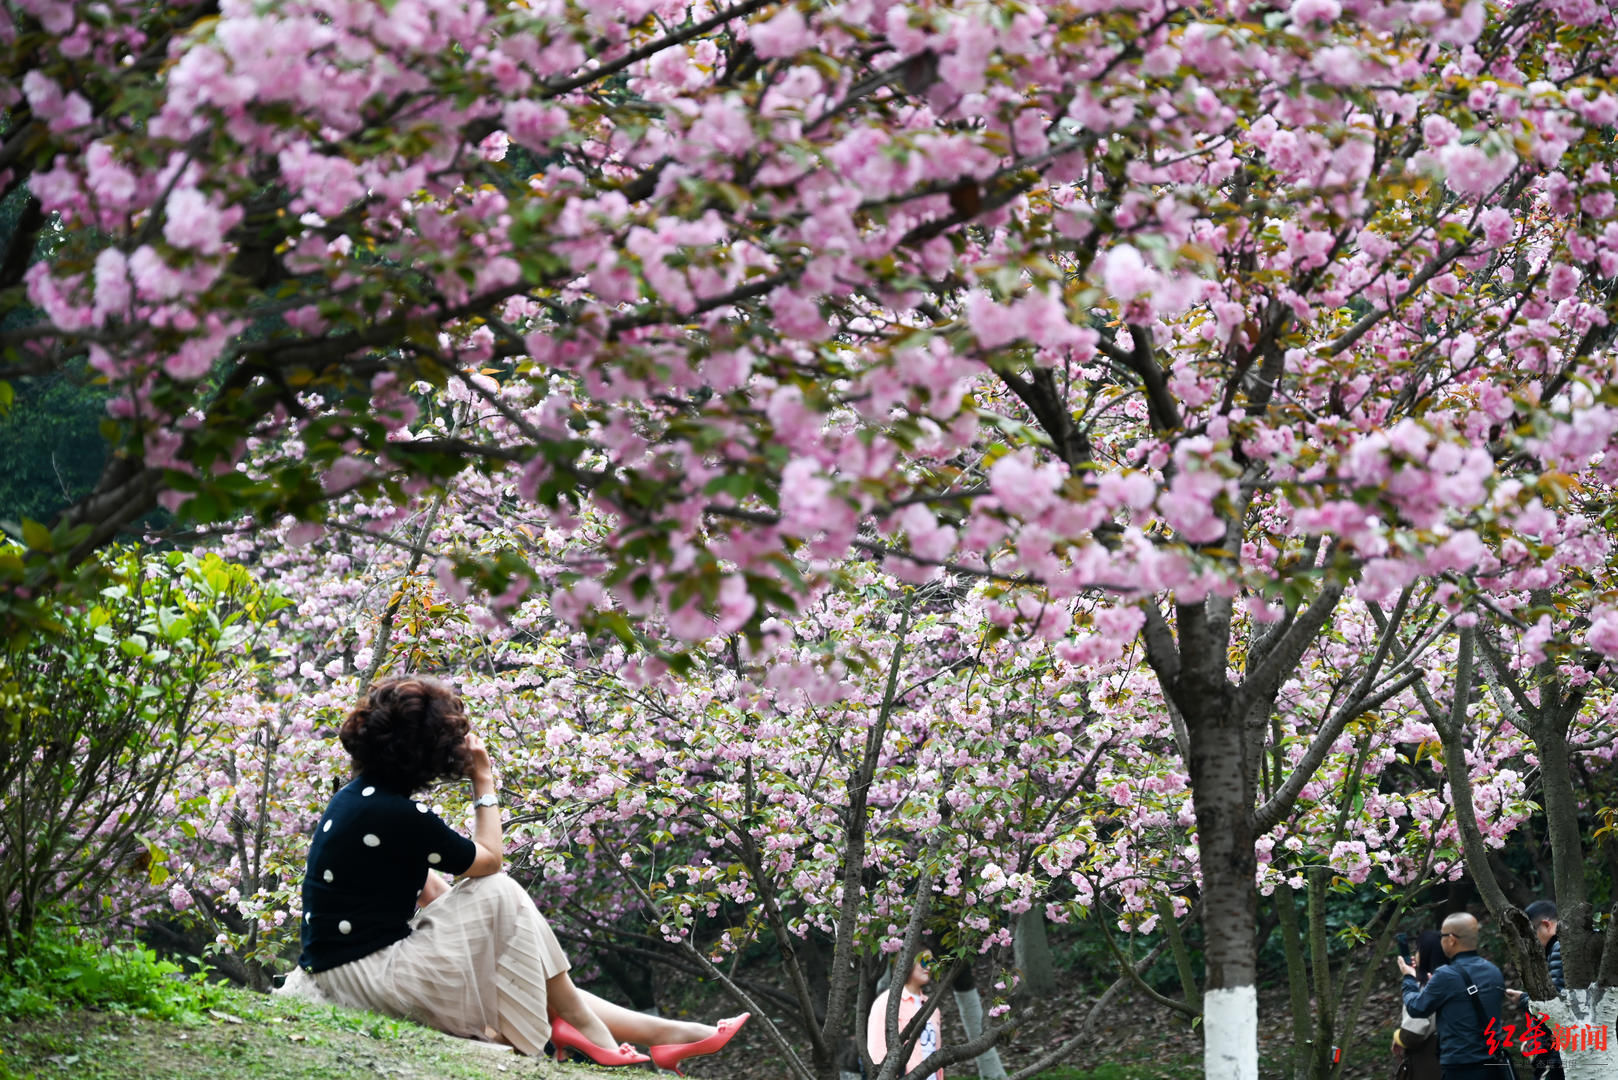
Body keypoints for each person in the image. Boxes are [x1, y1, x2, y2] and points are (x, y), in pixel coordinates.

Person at [282, 675, 748, 1072]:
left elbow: (427, 887)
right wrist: (483, 779)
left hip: (348, 968)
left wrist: (494, 939)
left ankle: (660, 1032)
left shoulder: (358, 800)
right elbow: (489, 861)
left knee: (527, 958)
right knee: (499, 889)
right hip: (368, 977)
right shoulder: (396, 812)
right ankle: (593, 1028)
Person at [1397, 912, 1511, 1080]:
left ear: (1451, 939)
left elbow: (1416, 1008)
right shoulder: (1493, 970)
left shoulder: (1445, 976)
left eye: (1442, 936)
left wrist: (1408, 977)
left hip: (1461, 1066)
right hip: (1493, 1063)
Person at [868, 953, 944, 1080]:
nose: (929, 967)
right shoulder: (885, 1003)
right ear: (908, 962)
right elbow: (878, 1053)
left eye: (932, 962)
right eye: (924, 961)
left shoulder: (932, 1008)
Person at [1392, 929, 1447, 1080]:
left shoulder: (1425, 987)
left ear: (1425, 953)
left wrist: (1397, 1037)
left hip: (1430, 1067)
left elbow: (1412, 1035)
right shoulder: (1458, 979)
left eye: (1418, 949)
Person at [1522, 900, 1564, 1080]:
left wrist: (1525, 1000)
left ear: (1546, 925)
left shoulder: (1558, 949)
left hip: (1558, 1051)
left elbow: (1555, 1004)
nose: (1529, 942)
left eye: (1530, 935)